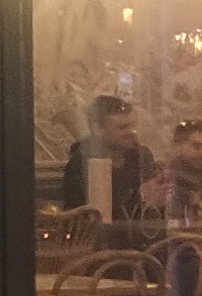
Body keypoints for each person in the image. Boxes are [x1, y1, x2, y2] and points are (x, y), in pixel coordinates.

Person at [59, 91, 151, 221]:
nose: (132, 132)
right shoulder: (81, 163)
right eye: (123, 127)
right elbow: (91, 215)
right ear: (97, 129)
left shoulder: (142, 156)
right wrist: (142, 197)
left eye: (133, 126)